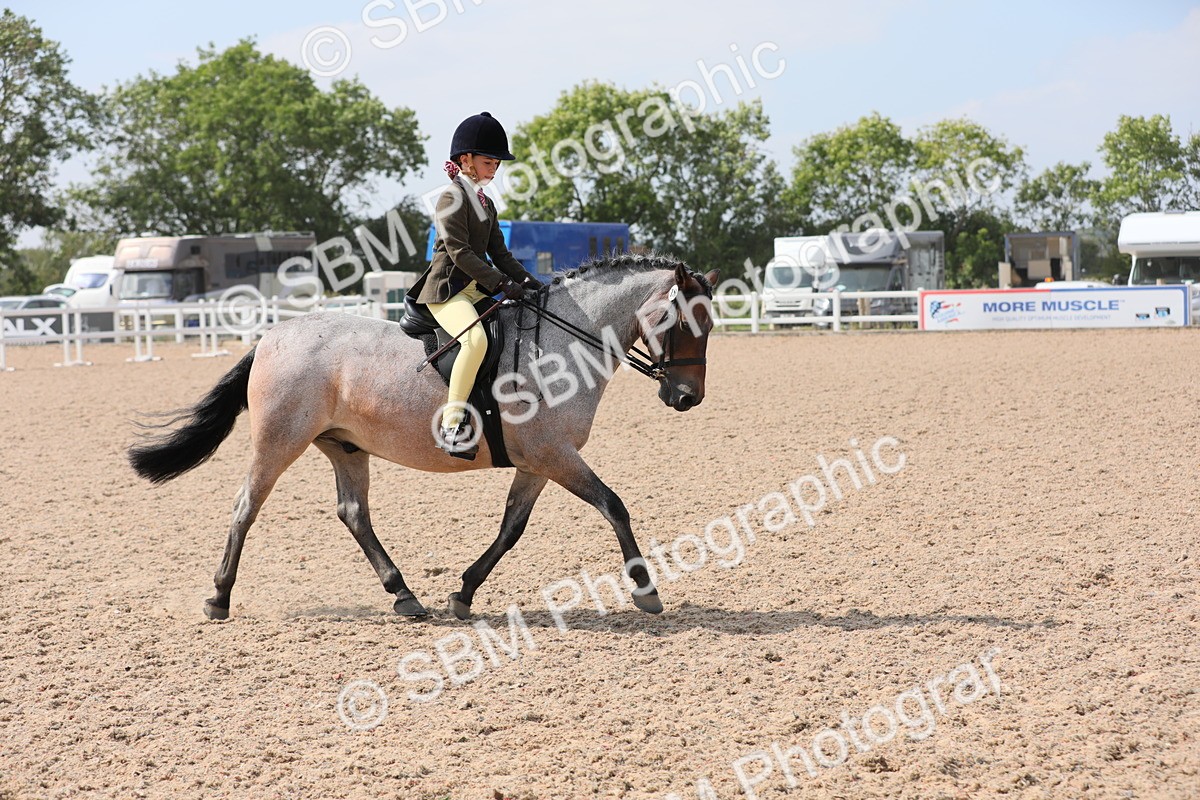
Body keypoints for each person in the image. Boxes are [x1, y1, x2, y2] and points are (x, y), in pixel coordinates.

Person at [410, 111, 542, 458]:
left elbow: (500, 252)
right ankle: (453, 426)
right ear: (464, 160)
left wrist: (531, 283)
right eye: (488, 161)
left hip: (476, 290)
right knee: (474, 340)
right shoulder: (451, 198)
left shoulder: (486, 202)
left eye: (497, 163)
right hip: (446, 290)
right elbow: (460, 252)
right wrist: (500, 283)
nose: (494, 168)